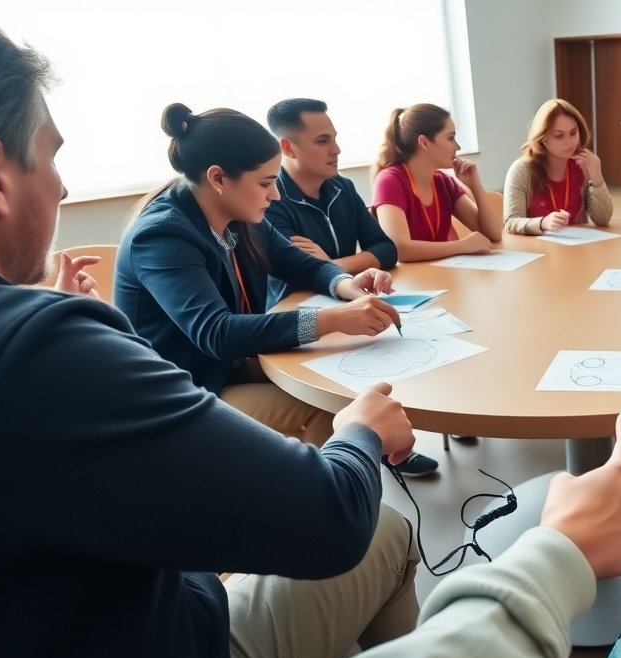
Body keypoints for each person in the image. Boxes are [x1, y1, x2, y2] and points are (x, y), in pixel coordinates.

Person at [0, 5, 621, 658]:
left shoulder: (216, 227)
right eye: (50, 158)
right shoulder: (51, 332)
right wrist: (355, 427)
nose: (59, 188)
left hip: (134, 642)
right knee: (349, 488)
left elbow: (309, 265)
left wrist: (340, 286)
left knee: (387, 532)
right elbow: (309, 492)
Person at [113, 104, 433, 475]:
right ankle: (327, 509)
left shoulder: (235, 212)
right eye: (266, 183)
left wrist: (346, 286)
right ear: (218, 177)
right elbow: (217, 333)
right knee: (328, 408)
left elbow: (300, 264)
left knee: (336, 376)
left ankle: (335, 494)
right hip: (186, 390)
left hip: (233, 365)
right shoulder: (162, 235)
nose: (276, 195)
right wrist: (333, 319)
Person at [263, 97, 397, 300]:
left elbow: (387, 250)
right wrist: (356, 262)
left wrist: (334, 265)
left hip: (344, 297)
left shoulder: (343, 188)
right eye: (323, 141)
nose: (336, 149)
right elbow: (299, 269)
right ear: (288, 148)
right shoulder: (270, 199)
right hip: (296, 308)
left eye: (334, 139)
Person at [370, 103, 503, 262]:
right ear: (424, 142)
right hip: (410, 282)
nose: (457, 146)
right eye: (450, 138)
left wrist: (475, 185)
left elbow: (493, 235)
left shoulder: (444, 182)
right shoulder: (389, 180)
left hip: (441, 277)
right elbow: (400, 249)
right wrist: (462, 245)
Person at [503, 98, 614, 235]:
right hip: (539, 250)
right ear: (543, 139)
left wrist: (597, 177)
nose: (569, 142)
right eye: (559, 136)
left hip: (578, 249)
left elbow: (603, 220)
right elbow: (511, 222)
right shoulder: (521, 170)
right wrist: (542, 223)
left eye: (573, 133)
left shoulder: (582, 164)